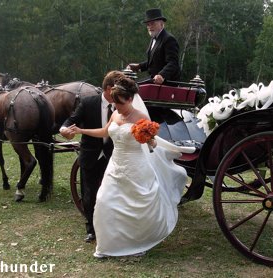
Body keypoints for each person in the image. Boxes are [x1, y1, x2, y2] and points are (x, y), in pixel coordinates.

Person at [68, 76, 193, 258]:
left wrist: (148, 139)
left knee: (135, 206)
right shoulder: (115, 114)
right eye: (115, 103)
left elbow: (152, 143)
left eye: (120, 104)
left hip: (135, 166)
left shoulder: (141, 118)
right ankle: (106, 246)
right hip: (115, 165)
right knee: (104, 200)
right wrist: (81, 130)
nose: (117, 107)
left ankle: (137, 243)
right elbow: (105, 132)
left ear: (130, 99)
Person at [59, 70, 125, 243]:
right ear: (109, 88)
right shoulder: (88, 103)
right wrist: (64, 129)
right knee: (89, 193)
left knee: (112, 192)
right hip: (90, 155)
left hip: (114, 155)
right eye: (119, 89)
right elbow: (71, 120)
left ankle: (111, 225)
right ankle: (91, 229)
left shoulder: (122, 105)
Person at [128, 8, 181, 85]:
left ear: (162, 24)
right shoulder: (154, 38)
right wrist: (139, 66)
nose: (150, 27)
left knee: (134, 87)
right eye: (148, 24)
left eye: (152, 23)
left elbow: (173, 62)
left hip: (166, 83)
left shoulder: (169, 39)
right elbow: (154, 61)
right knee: (131, 85)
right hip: (153, 81)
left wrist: (161, 75)